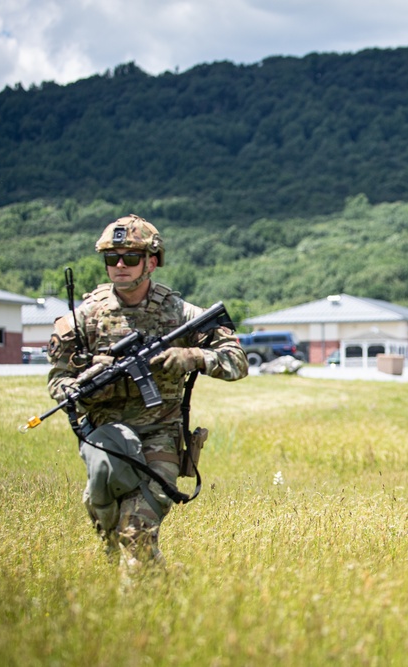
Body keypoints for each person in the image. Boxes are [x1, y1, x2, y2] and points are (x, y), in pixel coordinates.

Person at [47, 214, 248, 569]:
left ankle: (134, 616)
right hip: (106, 439)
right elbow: (57, 383)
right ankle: (168, 590)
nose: (120, 266)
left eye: (130, 257)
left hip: (161, 436)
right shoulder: (83, 319)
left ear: (152, 261)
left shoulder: (182, 314)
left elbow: (237, 361)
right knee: (107, 525)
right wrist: (87, 377)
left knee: (136, 533)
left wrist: (193, 356)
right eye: (112, 259)